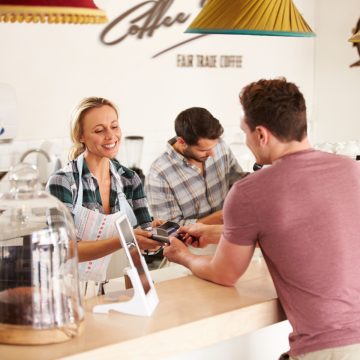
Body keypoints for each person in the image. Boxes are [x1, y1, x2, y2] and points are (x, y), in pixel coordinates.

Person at [163, 78, 360, 359]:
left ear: (261, 135)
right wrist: (221, 232)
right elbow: (309, 233)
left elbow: (225, 274)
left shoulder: (250, 192)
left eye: (244, 132)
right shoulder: (352, 170)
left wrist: (184, 256)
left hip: (328, 349)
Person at [46, 97, 161, 291]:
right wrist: (126, 239)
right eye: (99, 130)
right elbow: (65, 249)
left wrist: (155, 237)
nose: (111, 136)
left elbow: (145, 247)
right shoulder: (63, 182)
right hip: (72, 292)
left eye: (114, 126)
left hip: (122, 288)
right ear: (80, 136)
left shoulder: (129, 179)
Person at [145, 107, 248, 225]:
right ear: (182, 142)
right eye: (203, 150)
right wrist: (220, 218)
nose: (212, 153)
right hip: (191, 243)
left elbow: (239, 184)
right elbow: (169, 230)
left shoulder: (220, 146)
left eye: (213, 147)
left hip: (228, 235)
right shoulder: (158, 175)